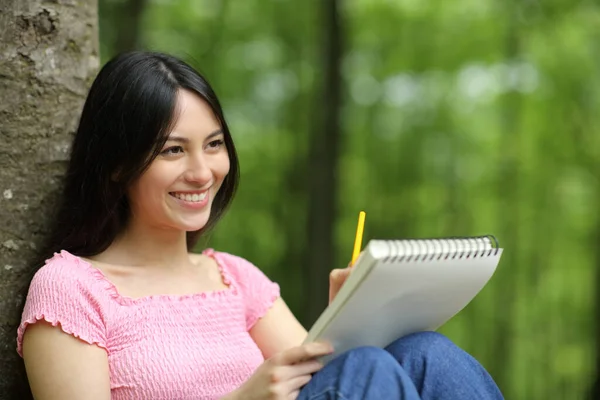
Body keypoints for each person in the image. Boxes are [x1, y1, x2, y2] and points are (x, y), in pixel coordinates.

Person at [16, 51, 504, 400]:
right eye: (172, 150)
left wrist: (353, 319)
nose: (202, 172)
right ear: (118, 165)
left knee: (425, 353)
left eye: (213, 144)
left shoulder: (235, 278)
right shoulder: (71, 289)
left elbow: (332, 379)